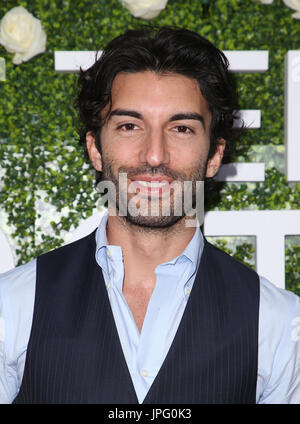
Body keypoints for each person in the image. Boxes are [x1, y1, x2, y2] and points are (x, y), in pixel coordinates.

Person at [0, 26, 299, 405]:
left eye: (181, 128)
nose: (154, 155)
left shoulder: (277, 322)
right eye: (129, 126)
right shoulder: (11, 305)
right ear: (95, 148)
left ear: (214, 156)